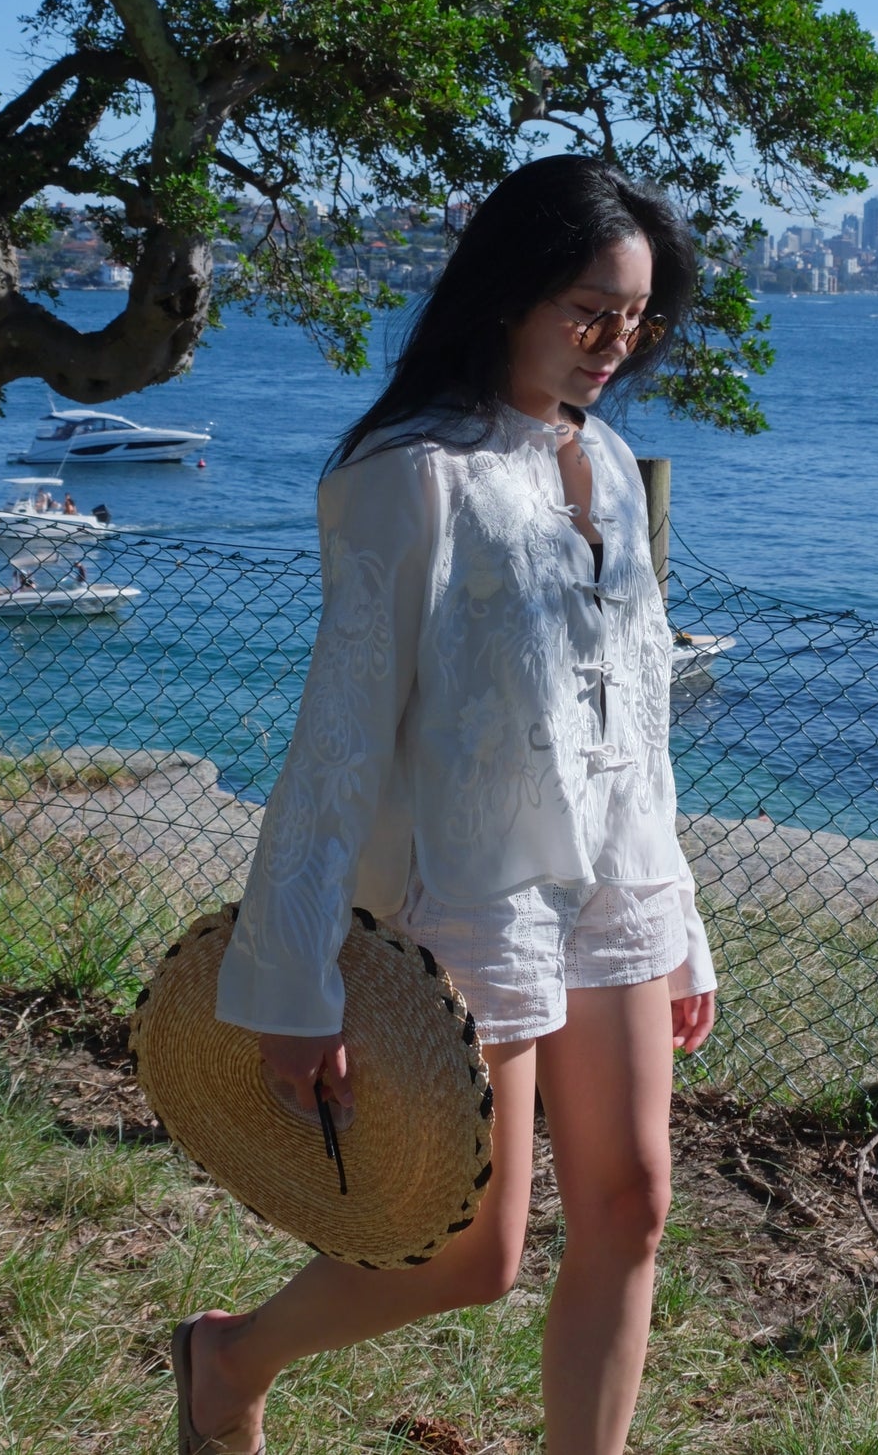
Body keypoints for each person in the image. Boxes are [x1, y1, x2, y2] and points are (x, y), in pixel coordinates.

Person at [176, 156, 717, 1455]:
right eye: (590, 308)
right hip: (469, 902)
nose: (613, 343)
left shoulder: (610, 468)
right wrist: (293, 981)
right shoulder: (408, 477)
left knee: (633, 1203)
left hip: (616, 891)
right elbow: (337, 741)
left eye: (633, 318)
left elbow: (636, 721)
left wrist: (681, 915)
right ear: (507, 291)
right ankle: (228, 1358)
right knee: (470, 1254)